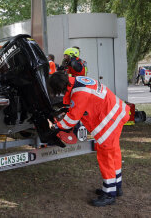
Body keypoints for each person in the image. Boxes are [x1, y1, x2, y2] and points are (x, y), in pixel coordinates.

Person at [48, 72, 130, 207]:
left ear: (60, 87)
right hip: (117, 112)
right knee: (114, 152)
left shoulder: (79, 93)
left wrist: (56, 126)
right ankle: (116, 187)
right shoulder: (78, 81)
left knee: (106, 156)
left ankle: (109, 194)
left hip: (110, 120)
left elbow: (72, 119)